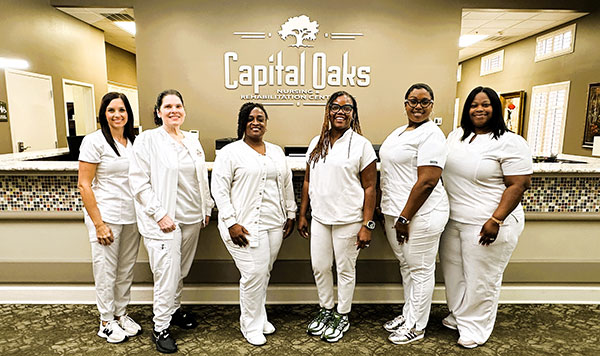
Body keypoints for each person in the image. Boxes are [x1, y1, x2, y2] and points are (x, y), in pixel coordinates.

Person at [439, 86, 532, 348]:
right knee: (455, 274)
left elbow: (519, 184)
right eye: (473, 105)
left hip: (488, 222)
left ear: (496, 108)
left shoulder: (510, 141)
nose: (479, 109)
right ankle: (459, 315)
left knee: (481, 278)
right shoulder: (456, 136)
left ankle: (476, 328)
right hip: (454, 219)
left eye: (486, 104)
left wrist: (496, 220)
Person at [129, 89, 214, 354]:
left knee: (180, 271)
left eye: (178, 106)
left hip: (191, 219)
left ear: (184, 110)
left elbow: (201, 179)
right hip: (164, 221)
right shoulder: (147, 140)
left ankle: (174, 310)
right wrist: (159, 214)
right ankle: (160, 327)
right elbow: (138, 183)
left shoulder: (191, 141)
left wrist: (206, 207)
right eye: (168, 106)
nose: (174, 110)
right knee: (166, 274)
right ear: (158, 111)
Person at [211, 102, 297, 346]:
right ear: (242, 123)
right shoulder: (230, 153)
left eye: (260, 118)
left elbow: (286, 183)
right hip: (244, 225)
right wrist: (230, 222)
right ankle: (249, 325)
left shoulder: (276, 152)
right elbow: (219, 189)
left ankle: (259, 317)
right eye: (250, 118)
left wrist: (290, 214)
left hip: (274, 223)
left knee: (263, 272)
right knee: (253, 274)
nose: (256, 122)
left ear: (266, 123)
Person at [298, 91, 377, 343]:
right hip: (320, 218)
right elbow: (308, 181)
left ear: (354, 114)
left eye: (347, 108)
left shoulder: (361, 145)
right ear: (328, 111)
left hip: (349, 220)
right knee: (320, 267)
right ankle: (326, 309)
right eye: (335, 107)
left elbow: (370, 188)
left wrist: (367, 224)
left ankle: (342, 314)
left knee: (345, 269)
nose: (340, 111)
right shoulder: (316, 143)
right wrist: (303, 214)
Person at [379, 83, 449, 344]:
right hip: (395, 213)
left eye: (424, 101)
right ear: (405, 103)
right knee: (407, 267)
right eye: (412, 101)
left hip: (421, 214)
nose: (418, 106)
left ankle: (416, 326)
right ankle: (409, 313)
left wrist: (405, 217)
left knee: (420, 269)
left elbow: (427, 181)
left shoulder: (432, 135)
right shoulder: (400, 132)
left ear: (432, 105)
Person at [78, 92, 142, 343]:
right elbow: (84, 184)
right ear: (103, 113)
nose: (117, 115)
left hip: (132, 215)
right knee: (106, 270)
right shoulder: (94, 141)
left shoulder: (134, 141)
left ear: (129, 113)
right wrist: (99, 224)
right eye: (111, 110)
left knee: (125, 270)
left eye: (122, 110)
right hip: (106, 216)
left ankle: (121, 313)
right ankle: (105, 320)